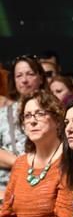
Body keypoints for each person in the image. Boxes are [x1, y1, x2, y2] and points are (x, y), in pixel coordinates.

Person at [0, 56, 47, 203]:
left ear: (40, 77)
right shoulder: (3, 113)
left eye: (30, 74)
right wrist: (20, 164)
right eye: (19, 75)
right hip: (5, 184)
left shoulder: (53, 112)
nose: (24, 80)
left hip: (42, 182)